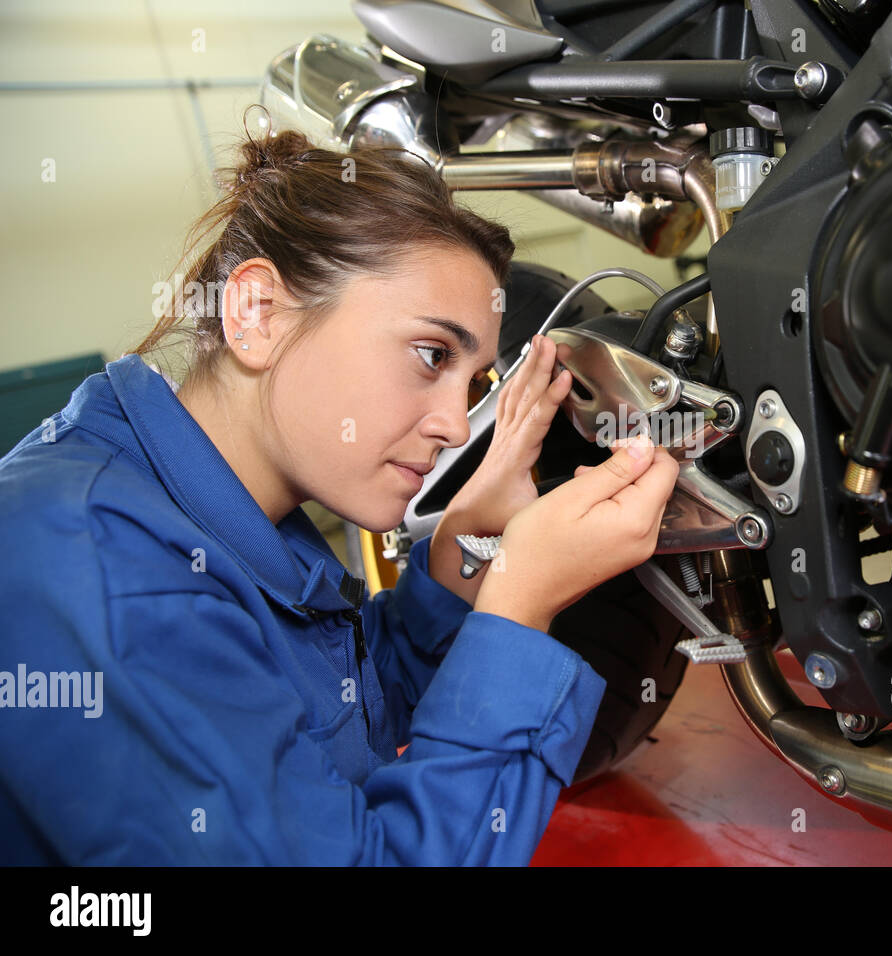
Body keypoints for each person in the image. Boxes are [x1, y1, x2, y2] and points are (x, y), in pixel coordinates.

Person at [0, 124, 679, 865]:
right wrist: (520, 606)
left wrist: (464, 557)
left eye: (473, 382)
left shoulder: (223, 510)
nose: (456, 428)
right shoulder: (95, 564)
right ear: (256, 314)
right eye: (430, 355)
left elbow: (328, 716)